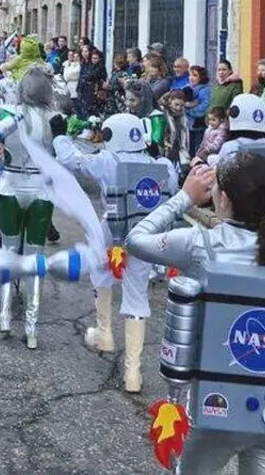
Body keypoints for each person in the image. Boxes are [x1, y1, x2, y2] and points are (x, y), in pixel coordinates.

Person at [126, 153, 265, 471]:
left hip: (214, 408)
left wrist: (184, 197)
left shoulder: (197, 244)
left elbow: (135, 240)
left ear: (221, 198)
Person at [53, 112, 178, 392]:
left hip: (111, 227)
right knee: (137, 293)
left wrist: (60, 135)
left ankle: (104, 332)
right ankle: (133, 373)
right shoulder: (161, 165)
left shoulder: (108, 161)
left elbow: (72, 160)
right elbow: (172, 186)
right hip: (145, 231)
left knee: (101, 271)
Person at [0, 68, 60, 349]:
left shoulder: (6, 115)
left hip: (9, 184)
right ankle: (32, 330)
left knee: (9, 253)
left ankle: (5, 317)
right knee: (35, 259)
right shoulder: (56, 119)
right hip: (41, 189)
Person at [186, 65, 212, 154]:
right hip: (188, 125)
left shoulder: (204, 90)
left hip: (198, 125)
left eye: (194, 75)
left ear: (201, 77)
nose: (191, 78)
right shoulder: (188, 88)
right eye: (190, 75)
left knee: (197, 149)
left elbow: (204, 107)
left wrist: (189, 110)